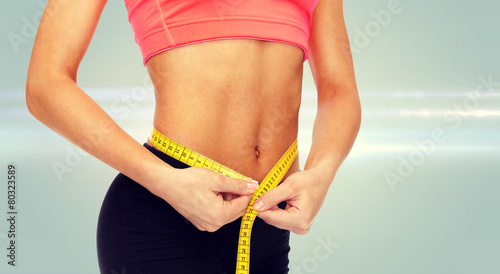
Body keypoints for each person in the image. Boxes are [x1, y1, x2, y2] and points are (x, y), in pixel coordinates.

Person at [26, 0, 361, 273]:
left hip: (268, 234)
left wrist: (320, 174)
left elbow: (338, 89)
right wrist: (164, 180)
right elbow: (45, 83)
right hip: (164, 216)